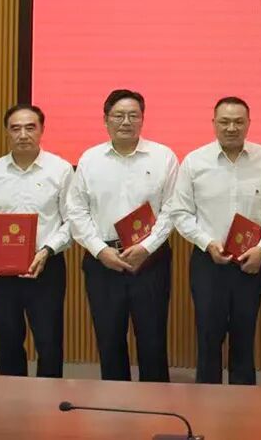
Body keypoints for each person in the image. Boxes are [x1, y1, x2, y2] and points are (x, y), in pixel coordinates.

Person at [167, 97, 261, 384]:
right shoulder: (195, 161)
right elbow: (180, 212)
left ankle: (243, 402)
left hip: (251, 262)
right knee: (208, 337)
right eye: (224, 122)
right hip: (208, 262)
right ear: (214, 124)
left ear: (248, 124)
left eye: (238, 122)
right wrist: (207, 242)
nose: (231, 128)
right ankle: (207, 400)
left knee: (245, 336)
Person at [67, 89, 178, 381]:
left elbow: (172, 208)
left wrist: (147, 247)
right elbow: (76, 211)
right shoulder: (90, 159)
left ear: (142, 119)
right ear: (105, 120)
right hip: (103, 260)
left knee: (153, 339)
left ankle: (156, 400)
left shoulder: (163, 157)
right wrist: (100, 251)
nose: (126, 122)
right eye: (118, 115)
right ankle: (115, 401)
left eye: (133, 115)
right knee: (109, 338)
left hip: (150, 260)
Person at [0, 103, 72, 377]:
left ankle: (49, 399)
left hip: (46, 267)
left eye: (30, 127)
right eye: (15, 128)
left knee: (49, 343)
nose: (23, 134)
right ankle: (12, 398)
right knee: (7, 343)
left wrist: (47, 250)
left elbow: (71, 221)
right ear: (7, 132)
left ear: (41, 130)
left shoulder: (61, 170)